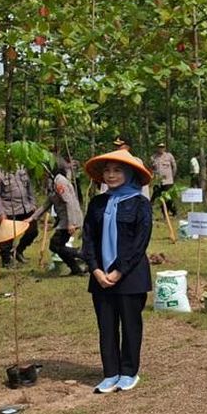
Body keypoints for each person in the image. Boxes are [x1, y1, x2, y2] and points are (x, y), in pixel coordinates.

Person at [81, 149, 154, 394]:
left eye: (117, 170)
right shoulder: (97, 203)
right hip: (100, 276)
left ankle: (129, 371)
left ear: (130, 173)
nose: (111, 175)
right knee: (106, 325)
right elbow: (88, 238)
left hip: (130, 276)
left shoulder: (140, 203)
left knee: (130, 324)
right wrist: (96, 270)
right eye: (107, 170)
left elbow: (140, 242)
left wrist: (119, 271)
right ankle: (110, 373)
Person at [0, 163, 39, 267]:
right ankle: (6, 259)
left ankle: (19, 251)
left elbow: (29, 187)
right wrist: (0, 213)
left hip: (25, 207)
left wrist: (33, 203)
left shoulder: (22, 169)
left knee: (33, 231)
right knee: (7, 237)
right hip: (8, 209)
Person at [47, 160, 86, 275]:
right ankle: (76, 268)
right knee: (58, 246)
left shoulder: (60, 182)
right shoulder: (54, 181)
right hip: (66, 219)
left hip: (69, 219)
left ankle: (80, 254)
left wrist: (71, 223)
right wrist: (31, 218)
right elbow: (47, 203)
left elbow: (69, 202)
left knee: (55, 245)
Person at [150, 142, 178, 217]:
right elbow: (152, 169)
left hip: (168, 181)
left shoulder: (169, 156)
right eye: (159, 147)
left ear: (165, 148)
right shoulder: (153, 157)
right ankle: (165, 214)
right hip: (158, 181)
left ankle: (174, 211)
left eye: (162, 147)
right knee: (160, 198)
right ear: (157, 148)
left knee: (168, 198)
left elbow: (174, 167)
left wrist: (172, 176)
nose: (161, 148)